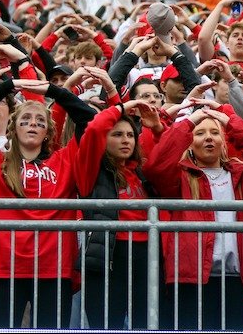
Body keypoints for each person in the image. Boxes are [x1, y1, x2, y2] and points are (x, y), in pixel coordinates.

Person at [0, 79, 96, 328]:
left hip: (54, 270)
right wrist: (6, 86)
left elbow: (90, 120)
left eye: (40, 121)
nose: (32, 124)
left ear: (48, 133)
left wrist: (53, 91)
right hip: (4, 269)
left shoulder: (66, 161)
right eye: (25, 120)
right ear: (13, 129)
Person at [144, 99, 243, 330]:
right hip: (194, 280)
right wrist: (188, 121)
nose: (208, 137)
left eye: (215, 132)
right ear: (190, 141)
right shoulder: (181, 178)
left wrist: (229, 119)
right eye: (200, 133)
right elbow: (156, 166)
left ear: (224, 140)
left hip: (241, 279)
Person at [75, 100, 160, 329]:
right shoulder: (92, 170)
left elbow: (167, 156)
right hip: (108, 257)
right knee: (106, 327)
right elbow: (93, 130)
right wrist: (123, 106)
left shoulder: (141, 172)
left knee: (147, 326)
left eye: (130, 135)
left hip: (147, 255)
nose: (126, 140)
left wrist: (158, 127)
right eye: (117, 134)